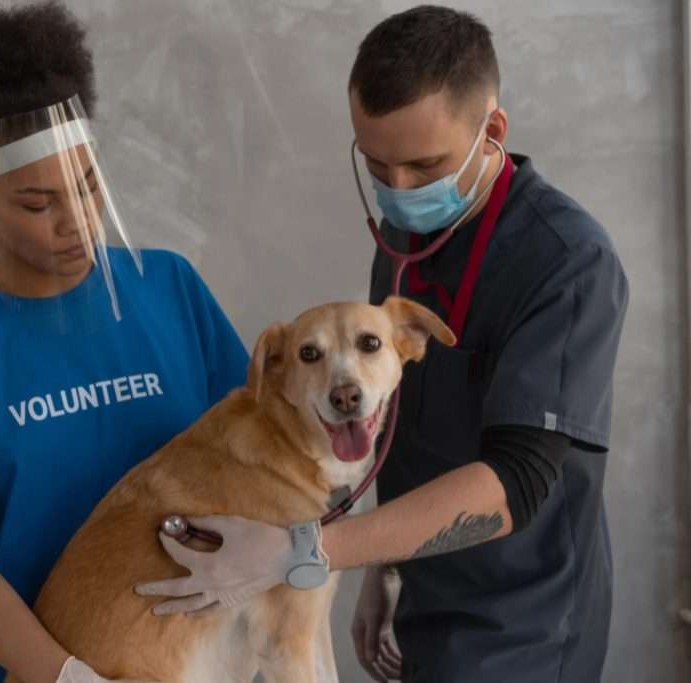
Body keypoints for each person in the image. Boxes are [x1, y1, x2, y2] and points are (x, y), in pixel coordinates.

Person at [136, 6, 629, 683]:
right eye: (377, 165)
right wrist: (383, 570)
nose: (399, 190)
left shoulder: (567, 262)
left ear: (493, 131)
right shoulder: (405, 242)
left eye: (425, 165)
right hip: (427, 598)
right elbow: (389, 420)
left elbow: (515, 482)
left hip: (526, 627)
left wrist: (307, 549)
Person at [0, 4, 249, 682]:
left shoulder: (169, 287)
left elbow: (261, 458)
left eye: (87, 186)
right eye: (38, 203)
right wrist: (69, 677)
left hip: (198, 660)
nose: (76, 221)